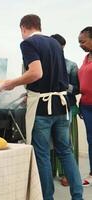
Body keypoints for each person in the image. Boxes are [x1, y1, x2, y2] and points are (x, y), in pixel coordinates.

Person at [0, 14, 83, 199]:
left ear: (23, 27)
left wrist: (12, 83)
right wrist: (29, 91)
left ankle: (46, 197)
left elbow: (36, 73)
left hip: (43, 110)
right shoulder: (54, 43)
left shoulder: (28, 43)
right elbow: (55, 78)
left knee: (42, 155)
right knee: (65, 152)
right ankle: (78, 196)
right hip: (62, 107)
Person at [49, 34, 80, 187]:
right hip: (51, 110)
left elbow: (77, 89)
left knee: (67, 144)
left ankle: (67, 175)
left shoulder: (71, 65)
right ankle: (53, 171)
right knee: (51, 144)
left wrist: (62, 84)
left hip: (68, 108)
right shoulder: (45, 64)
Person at [77, 26, 92, 186]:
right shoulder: (86, 58)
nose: (80, 44)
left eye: (83, 41)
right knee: (91, 140)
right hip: (86, 105)